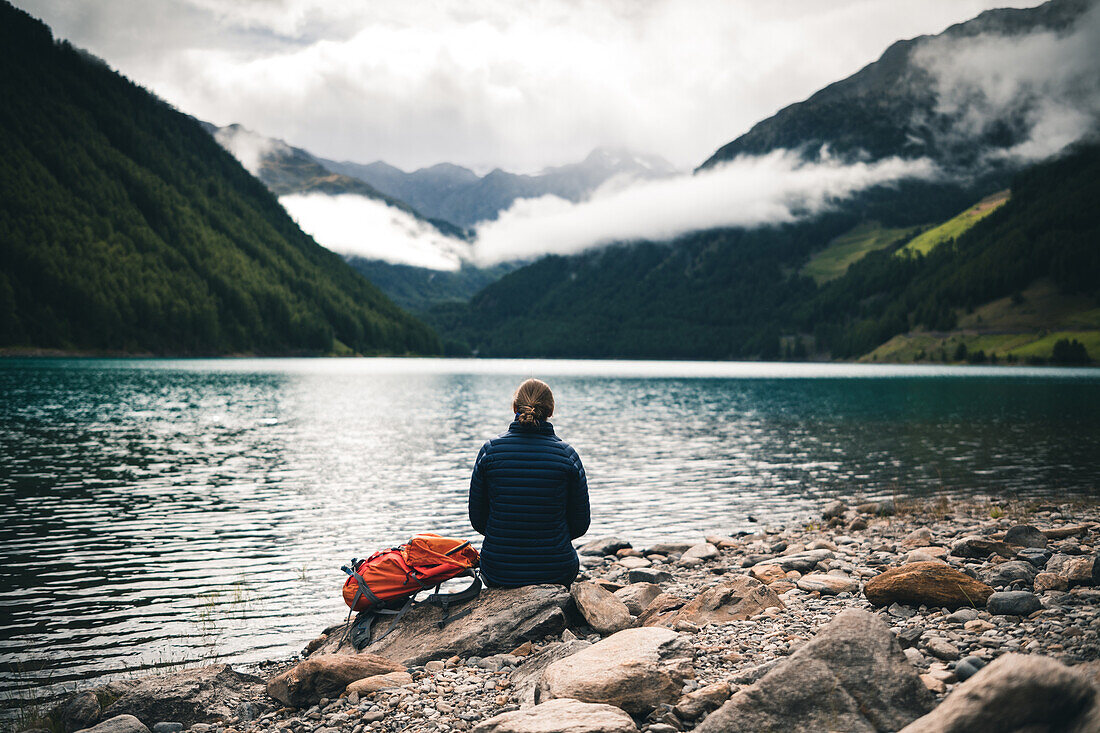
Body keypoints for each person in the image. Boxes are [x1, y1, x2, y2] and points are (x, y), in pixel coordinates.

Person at [468, 378, 590, 587]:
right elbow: (580, 524)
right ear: (550, 412)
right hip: (556, 570)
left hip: (498, 570)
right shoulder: (566, 455)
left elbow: (478, 519)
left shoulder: (490, 451)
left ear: (515, 407)